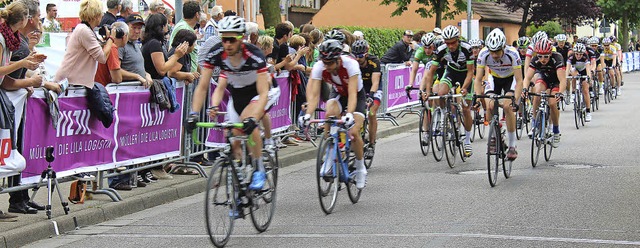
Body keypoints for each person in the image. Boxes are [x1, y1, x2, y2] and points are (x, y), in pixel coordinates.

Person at [189, 16, 270, 192]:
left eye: (232, 39)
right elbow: (203, 86)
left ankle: (259, 168)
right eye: (224, 39)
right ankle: (239, 183)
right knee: (233, 135)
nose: (227, 44)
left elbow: (264, 92)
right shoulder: (216, 53)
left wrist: (254, 118)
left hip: (256, 93)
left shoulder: (254, 55)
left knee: (249, 123)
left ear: (241, 38)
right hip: (238, 96)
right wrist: (193, 114)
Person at [299, 39, 368, 189]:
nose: (327, 66)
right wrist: (307, 115)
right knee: (329, 114)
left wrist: (349, 114)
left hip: (355, 95)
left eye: (330, 63)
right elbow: (314, 94)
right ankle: (330, 152)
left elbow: (352, 93)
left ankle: (360, 167)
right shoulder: (320, 66)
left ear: (338, 60)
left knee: (354, 132)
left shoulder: (350, 64)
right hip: (337, 93)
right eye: (325, 62)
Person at [1, 0, 47, 217]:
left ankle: (19, 197)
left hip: (9, 100)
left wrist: (27, 71)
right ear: (25, 19)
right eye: (36, 17)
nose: (37, 22)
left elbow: (10, 78)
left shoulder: (14, 39)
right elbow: (6, 79)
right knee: (8, 150)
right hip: (7, 100)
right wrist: (26, 71)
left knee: (11, 150)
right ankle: (16, 198)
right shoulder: (7, 40)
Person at [141, 13, 189, 179]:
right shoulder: (153, 44)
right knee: (154, 130)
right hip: (155, 90)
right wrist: (176, 55)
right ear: (160, 27)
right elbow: (162, 69)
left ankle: (153, 167)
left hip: (157, 88)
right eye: (166, 25)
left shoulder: (153, 42)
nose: (168, 28)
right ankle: (154, 167)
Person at [421, 25, 475, 157]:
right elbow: (430, 72)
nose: (450, 46)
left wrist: (464, 88)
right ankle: (446, 116)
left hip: (465, 75)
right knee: (440, 93)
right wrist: (427, 91)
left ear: (458, 39)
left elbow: (470, 72)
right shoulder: (440, 50)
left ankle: (467, 140)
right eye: (447, 43)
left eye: (453, 42)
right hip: (451, 72)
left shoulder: (467, 49)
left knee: (466, 109)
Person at [473, 28, 523, 160]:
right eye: (492, 51)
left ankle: (512, 145)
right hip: (493, 78)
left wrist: (515, 101)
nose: (494, 55)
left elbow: (519, 80)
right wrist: (478, 98)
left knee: (507, 106)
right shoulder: (483, 53)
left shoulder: (513, 53)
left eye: (497, 51)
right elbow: (478, 79)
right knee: (490, 105)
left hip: (510, 78)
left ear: (503, 47)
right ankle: (495, 135)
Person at [54, 0, 115, 89]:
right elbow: (102, 58)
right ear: (96, 15)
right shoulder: (84, 31)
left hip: (75, 82)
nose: (102, 16)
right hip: (71, 83)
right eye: (101, 13)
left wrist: (105, 41)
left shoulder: (84, 29)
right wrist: (111, 39)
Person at [523, 39, 566, 148]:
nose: (542, 59)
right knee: (537, 93)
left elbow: (562, 80)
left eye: (546, 56)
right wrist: (524, 89)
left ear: (550, 53)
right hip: (544, 79)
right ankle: (534, 123)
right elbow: (527, 77)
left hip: (556, 81)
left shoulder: (557, 58)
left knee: (552, 104)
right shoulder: (535, 60)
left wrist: (560, 93)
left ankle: (556, 131)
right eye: (540, 56)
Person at [351, 39, 381, 158]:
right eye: (355, 55)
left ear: (366, 54)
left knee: (372, 113)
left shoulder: (374, 62)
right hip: (360, 89)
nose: (358, 59)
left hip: (374, 88)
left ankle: (372, 144)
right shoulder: (352, 62)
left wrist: (372, 95)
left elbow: (376, 81)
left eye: (360, 56)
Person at [94, 22, 131, 87]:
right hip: (104, 90)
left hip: (96, 88)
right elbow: (117, 79)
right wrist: (137, 76)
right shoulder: (112, 48)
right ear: (124, 36)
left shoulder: (103, 45)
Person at [169, 1, 200, 73]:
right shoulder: (183, 28)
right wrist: (185, 74)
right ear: (197, 14)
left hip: (189, 76)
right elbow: (176, 52)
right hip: (183, 78)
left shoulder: (185, 27)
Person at [566, 43, 593, 122]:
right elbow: (568, 68)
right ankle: (574, 92)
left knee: (585, 90)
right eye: (577, 54)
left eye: (580, 54)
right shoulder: (571, 56)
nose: (578, 56)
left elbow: (588, 69)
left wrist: (588, 78)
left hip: (584, 71)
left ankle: (588, 112)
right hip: (575, 70)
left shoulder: (585, 57)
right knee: (574, 74)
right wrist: (566, 77)